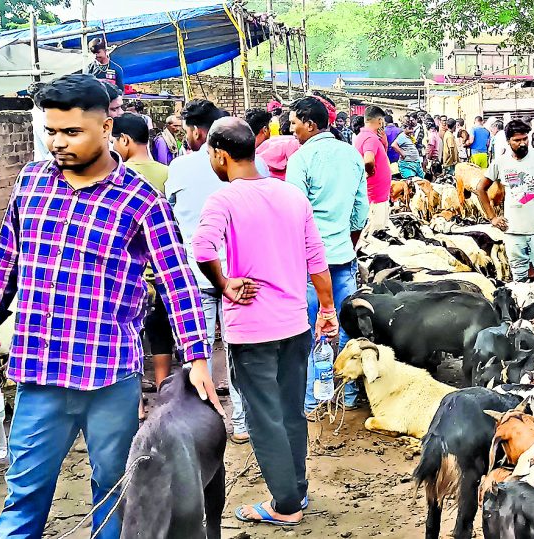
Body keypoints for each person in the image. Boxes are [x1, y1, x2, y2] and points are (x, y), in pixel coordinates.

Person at [0, 74, 217, 539]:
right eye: (51, 131)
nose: (57, 143)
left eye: (71, 132)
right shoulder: (31, 182)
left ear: (106, 128)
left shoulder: (141, 200)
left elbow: (177, 281)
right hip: (38, 371)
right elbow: (6, 258)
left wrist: (198, 359)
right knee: (24, 492)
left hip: (108, 375)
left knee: (113, 492)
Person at [193, 117, 336, 527]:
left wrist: (224, 283)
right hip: (295, 324)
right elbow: (317, 258)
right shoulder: (291, 195)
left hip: (252, 330)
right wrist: (327, 310)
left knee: (263, 417)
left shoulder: (223, 200)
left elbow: (202, 248)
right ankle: (297, 489)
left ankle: (286, 505)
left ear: (220, 155)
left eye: (210, 154)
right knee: (291, 411)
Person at [165, 98, 256, 440]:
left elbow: (173, 215)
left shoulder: (180, 168)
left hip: (196, 272)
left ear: (198, 132)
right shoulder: (249, 166)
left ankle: (202, 428)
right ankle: (243, 424)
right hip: (239, 275)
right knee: (238, 352)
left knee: (197, 353)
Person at [285, 97, 369, 413]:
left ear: (310, 124)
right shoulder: (352, 155)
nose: (291, 130)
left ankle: (312, 400)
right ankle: (347, 396)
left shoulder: (301, 159)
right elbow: (360, 211)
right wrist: (348, 241)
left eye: (294, 123)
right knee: (347, 328)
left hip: (309, 262)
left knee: (310, 329)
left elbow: (294, 215)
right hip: (343, 256)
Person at [478, 120, 534, 282]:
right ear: (508, 141)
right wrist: (492, 217)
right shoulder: (500, 162)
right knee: (519, 276)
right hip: (513, 231)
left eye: (525, 139)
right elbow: (481, 188)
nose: (522, 143)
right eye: (517, 140)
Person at [353, 106, 394, 233]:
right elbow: (368, 160)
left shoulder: (364, 136)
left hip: (376, 195)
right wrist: (370, 172)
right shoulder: (370, 138)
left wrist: (385, 144)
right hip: (376, 197)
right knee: (376, 233)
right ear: (380, 121)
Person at [112, 112, 168, 192]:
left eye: (113, 141)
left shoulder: (117, 174)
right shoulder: (168, 173)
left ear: (124, 139)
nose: (113, 147)